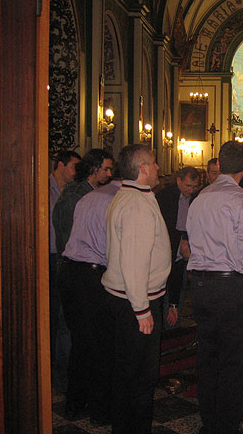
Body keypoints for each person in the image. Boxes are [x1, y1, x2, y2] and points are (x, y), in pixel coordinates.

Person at [186, 141, 243, 434]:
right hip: (231, 288)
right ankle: (225, 427)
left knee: (208, 358)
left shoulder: (200, 198)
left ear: (220, 164)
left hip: (200, 285)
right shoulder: (242, 200)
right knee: (235, 363)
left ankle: (209, 423)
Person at [101, 144, 171, 433]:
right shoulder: (137, 204)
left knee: (128, 373)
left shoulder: (129, 195)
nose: (157, 168)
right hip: (135, 303)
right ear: (143, 169)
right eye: (153, 163)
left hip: (126, 299)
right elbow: (134, 259)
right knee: (139, 377)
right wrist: (142, 310)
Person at [52, 148, 113, 417]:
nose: (110, 174)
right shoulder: (77, 196)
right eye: (106, 169)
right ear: (94, 169)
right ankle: (73, 397)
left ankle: (81, 399)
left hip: (82, 271)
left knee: (86, 341)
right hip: (77, 272)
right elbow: (67, 238)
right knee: (78, 338)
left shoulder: (90, 194)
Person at [60, 176, 122, 425]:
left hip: (70, 272)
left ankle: (75, 403)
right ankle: (99, 410)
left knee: (81, 342)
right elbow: (113, 247)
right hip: (92, 274)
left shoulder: (90, 195)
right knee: (100, 346)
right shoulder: (117, 200)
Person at [48, 150, 81, 392]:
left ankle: (62, 373)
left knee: (63, 315)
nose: (76, 172)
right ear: (60, 165)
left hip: (64, 258)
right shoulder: (43, 188)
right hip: (46, 258)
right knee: (50, 314)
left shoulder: (73, 193)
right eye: (73, 167)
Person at [156, 166, 201, 329]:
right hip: (166, 249)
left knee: (179, 290)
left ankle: (174, 316)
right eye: (188, 186)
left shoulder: (198, 197)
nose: (191, 190)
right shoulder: (165, 196)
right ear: (178, 181)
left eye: (195, 186)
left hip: (186, 250)